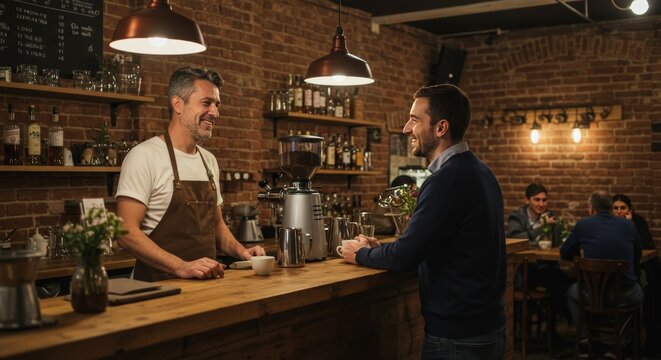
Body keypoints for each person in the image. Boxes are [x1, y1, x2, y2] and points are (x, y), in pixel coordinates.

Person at [341, 84, 507, 359]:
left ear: (441, 128)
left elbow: (404, 257)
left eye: (415, 120)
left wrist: (360, 254)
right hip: (486, 329)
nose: (407, 128)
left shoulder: (446, 180)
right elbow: (434, 243)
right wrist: (378, 249)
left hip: (458, 339)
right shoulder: (480, 171)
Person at [116, 67, 265, 282]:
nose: (215, 112)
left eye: (216, 105)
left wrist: (242, 252)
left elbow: (217, 226)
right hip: (155, 290)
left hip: (205, 288)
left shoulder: (208, 161)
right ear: (178, 104)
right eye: (206, 103)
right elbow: (125, 232)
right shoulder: (144, 156)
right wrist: (182, 267)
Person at [561, 191, 644, 344]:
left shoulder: (583, 224)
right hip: (625, 296)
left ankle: (585, 337)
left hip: (593, 295)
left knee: (572, 292)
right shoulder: (628, 225)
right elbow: (637, 256)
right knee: (639, 289)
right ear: (611, 208)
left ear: (591, 209)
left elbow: (564, 253)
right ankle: (624, 341)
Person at [507, 183, 572, 331]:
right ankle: (558, 327)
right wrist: (541, 227)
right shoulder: (517, 216)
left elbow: (556, 244)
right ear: (527, 200)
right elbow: (515, 238)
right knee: (559, 282)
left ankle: (554, 327)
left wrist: (556, 228)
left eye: (544, 200)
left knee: (563, 280)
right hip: (523, 270)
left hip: (544, 266)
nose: (541, 204)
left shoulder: (549, 216)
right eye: (537, 200)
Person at [613, 193, 661, 356]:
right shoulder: (608, 225)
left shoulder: (638, 222)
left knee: (645, 288)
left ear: (630, 210)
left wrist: (629, 225)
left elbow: (642, 247)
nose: (619, 212)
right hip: (616, 272)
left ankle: (637, 339)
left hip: (639, 269)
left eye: (622, 208)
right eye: (615, 208)